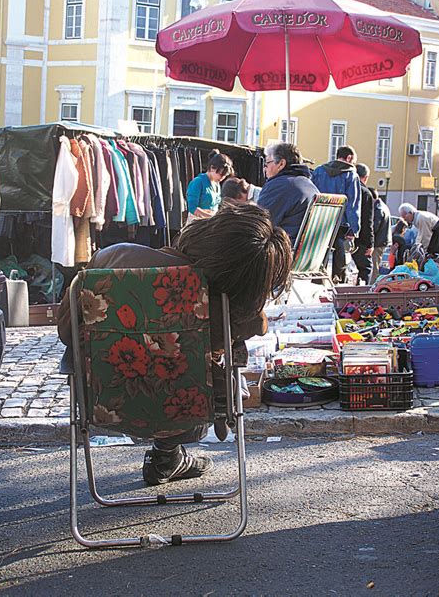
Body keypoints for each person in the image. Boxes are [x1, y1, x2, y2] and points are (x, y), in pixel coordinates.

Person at [58, 202, 292, 486]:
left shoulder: (112, 259)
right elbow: (260, 325)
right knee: (221, 369)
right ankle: (167, 454)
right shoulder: (230, 306)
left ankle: (169, 457)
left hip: (104, 400)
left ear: (210, 232)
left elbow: (67, 331)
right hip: (186, 410)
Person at [312, 145, 361, 283]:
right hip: (341, 224)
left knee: (319, 253)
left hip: (319, 220)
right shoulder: (351, 175)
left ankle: (317, 281)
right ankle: (337, 281)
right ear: (349, 158)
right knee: (341, 255)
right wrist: (354, 229)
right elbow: (353, 204)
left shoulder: (319, 171)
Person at [257, 142, 319, 245]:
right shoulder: (311, 186)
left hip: (283, 252)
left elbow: (259, 225)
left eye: (267, 163)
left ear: (281, 164)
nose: (264, 168)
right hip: (308, 254)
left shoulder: (279, 186)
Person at [185, 150, 234, 224]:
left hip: (210, 224)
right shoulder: (198, 182)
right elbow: (192, 208)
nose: (222, 178)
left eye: (225, 176)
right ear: (212, 168)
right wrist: (211, 217)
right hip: (196, 225)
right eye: (221, 174)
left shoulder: (217, 184)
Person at [351, 163, 374, 285]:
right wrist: (370, 244)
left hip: (341, 235)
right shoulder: (365, 193)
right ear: (365, 177)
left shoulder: (346, 187)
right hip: (359, 239)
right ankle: (362, 294)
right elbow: (367, 221)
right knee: (366, 268)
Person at [369, 188, 392, 283]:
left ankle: (372, 287)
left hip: (378, 242)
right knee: (375, 266)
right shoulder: (382, 206)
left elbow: (374, 227)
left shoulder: (378, 208)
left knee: (374, 268)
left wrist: (369, 241)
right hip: (382, 241)